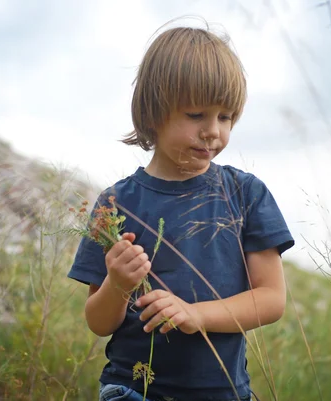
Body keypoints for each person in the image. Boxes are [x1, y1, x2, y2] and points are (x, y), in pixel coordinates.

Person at [69, 23, 294, 401]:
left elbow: (272, 298)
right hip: (132, 390)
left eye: (225, 117)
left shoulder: (245, 193)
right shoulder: (115, 204)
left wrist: (197, 315)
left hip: (223, 392)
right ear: (154, 112)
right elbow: (98, 321)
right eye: (196, 115)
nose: (213, 132)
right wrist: (118, 285)